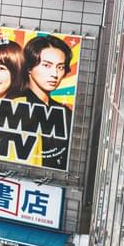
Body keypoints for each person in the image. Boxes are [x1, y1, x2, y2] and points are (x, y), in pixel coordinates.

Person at [17, 35, 75, 170]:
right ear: (29, 67)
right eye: (47, 65)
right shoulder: (16, 104)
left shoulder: (65, 113)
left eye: (60, 67)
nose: (54, 74)